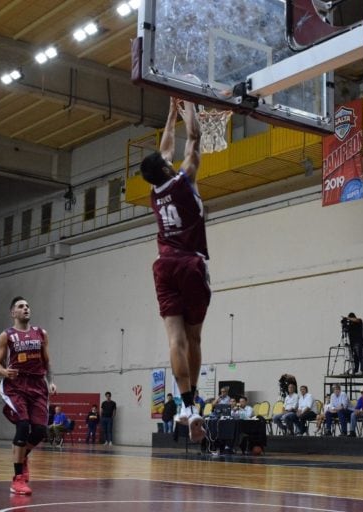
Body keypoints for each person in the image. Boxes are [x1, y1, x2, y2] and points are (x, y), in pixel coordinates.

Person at [140, 96, 209, 444]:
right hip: (191, 263)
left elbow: (164, 150)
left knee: (174, 339)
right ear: (166, 167)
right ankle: (193, 400)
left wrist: (169, 114)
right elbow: (194, 138)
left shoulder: (155, 191)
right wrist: (190, 107)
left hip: (163, 265)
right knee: (193, 338)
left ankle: (185, 406)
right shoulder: (185, 180)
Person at [0, 296, 56, 495]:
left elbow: (47, 361)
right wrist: (4, 372)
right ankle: (18, 479)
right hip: (16, 384)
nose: (26, 308)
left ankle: (22, 455)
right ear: (13, 313)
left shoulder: (41, 333)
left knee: (40, 431)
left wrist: (51, 381)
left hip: (38, 384)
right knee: (23, 425)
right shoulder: (7, 335)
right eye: (21, 306)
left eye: (28, 305)